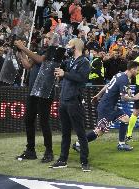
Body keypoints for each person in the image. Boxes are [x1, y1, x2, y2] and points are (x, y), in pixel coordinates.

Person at [73, 61, 139, 152]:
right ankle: (78, 144)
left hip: (110, 106)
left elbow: (107, 85)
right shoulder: (124, 79)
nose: (138, 72)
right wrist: (135, 98)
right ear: (132, 69)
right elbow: (124, 98)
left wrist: (98, 95)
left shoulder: (119, 75)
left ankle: (121, 144)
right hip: (106, 108)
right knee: (99, 131)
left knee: (125, 119)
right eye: (137, 70)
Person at [49, 38, 91, 171]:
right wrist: (60, 72)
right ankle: (62, 159)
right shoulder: (68, 61)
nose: (67, 46)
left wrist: (64, 73)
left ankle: (84, 161)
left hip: (74, 100)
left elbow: (81, 78)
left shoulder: (84, 62)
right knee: (65, 132)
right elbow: (62, 73)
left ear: (76, 47)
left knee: (80, 132)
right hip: (64, 99)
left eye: (69, 44)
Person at [14, 33, 55, 163]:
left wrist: (24, 48)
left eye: (49, 37)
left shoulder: (53, 50)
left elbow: (40, 60)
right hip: (33, 90)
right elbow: (27, 65)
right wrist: (21, 52)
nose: (47, 39)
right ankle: (30, 150)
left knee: (44, 121)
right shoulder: (39, 50)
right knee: (28, 119)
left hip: (45, 91)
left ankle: (49, 151)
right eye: (46, 37)